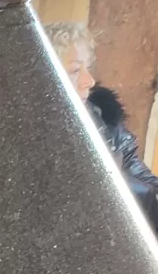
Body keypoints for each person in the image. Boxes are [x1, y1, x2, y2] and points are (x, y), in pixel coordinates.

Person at [45, 20, 158, 226]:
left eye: (87, 68)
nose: (90, 81)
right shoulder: (30, 134)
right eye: (75, 70)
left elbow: (144, 180)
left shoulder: (106, 121)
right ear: (44, 74)